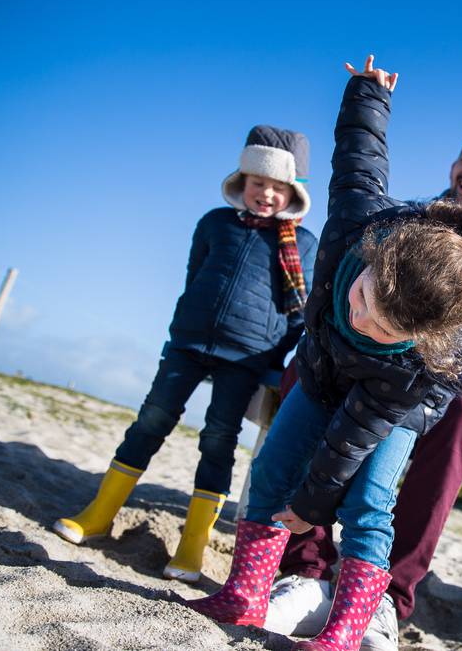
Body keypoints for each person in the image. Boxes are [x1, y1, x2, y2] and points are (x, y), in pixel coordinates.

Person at [181, 56, 462, 651]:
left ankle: (351, 625)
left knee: (370, 502)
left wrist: (311, 505)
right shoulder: (360, 220)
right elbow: (359, 158)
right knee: (270, 469)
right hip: (323, 369)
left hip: (391, 401)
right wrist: (369, 95)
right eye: (366, 299)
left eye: (387, 326)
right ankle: (246, 591)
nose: (364, 318)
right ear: (374, 260)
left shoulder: (425, 352)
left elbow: (352, 437)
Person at [264, 126, 462, 649]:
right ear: (452, 166)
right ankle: (305, 570)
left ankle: (385, 599)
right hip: (367, 358)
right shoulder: (411, 215)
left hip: (438, 384)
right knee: (304, 372)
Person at [52, 126, 317, 584]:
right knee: (151, 419)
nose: (266, 195)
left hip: (247, 358)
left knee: (218, 439)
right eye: (258, 184)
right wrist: (183, 324)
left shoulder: (303, 244)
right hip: (188, 343)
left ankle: (192, 545)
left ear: (292, 193)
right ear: (242, 181)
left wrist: (272, 359)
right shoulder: (213, 223)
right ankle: (99, 513)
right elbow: (195, 276)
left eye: (277, 188)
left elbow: (299, 314)